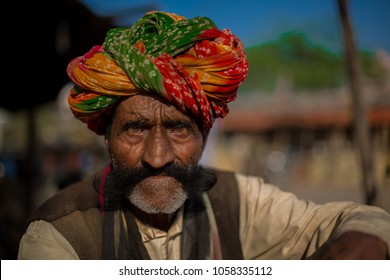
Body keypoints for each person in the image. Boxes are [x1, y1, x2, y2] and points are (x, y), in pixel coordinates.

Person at [18, 11, 390, 260]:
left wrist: (365, 240)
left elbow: (352, 218)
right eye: (135, 129)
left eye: (179, 128)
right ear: (107, 137)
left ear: (205, 134)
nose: (158, 156)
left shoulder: (239, 202)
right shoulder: (58, 236)